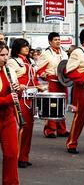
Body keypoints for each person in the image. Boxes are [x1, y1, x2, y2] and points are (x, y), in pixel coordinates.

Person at [7, 39, 42, 168]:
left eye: (27, 46)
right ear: (17, 48)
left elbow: (34, 78)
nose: (26, 48)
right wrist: (19, 86)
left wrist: (40, 86)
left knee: (29, 129)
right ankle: (16, 157)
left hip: (30, 97)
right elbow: (10, 78)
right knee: (23, 127)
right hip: (20, 98)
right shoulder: (12, 61)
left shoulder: (30, 61)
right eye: (23, 46)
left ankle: (24, 156)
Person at [37, 32, 69, 138]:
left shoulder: (64, 53)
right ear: (50, 42)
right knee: (52, 105)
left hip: (63, 82)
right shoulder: (46, 54)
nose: (58, 41)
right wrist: (47, 76)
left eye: (59, 39)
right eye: (55, 40)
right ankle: (50, 130)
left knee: (62, 105)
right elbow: (39, 70)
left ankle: (62, 129)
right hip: (53, 83)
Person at [0, 41, 20, 184]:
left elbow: (13, 95)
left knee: (12, 154)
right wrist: (8, 99)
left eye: (7, 55)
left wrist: (17, 90)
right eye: (1, 55)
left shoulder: (9, 70)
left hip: (8, 118)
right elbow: (7, 98)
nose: (5, 58)